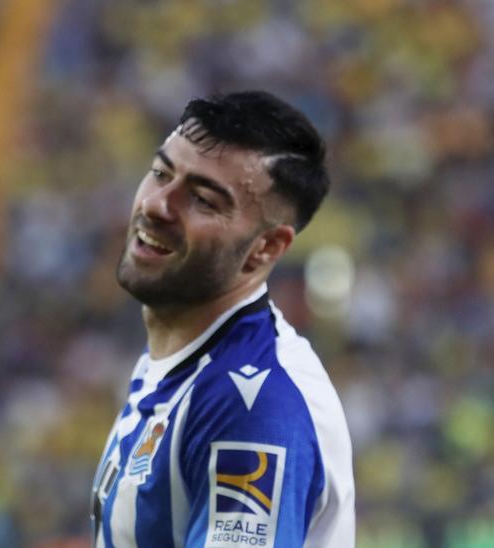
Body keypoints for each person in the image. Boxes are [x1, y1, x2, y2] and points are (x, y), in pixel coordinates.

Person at [91, 91, 355, 547]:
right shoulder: (180, 364)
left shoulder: (254, 405)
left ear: (266, 248)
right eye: (160, 173)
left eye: (203, 200)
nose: (157, 205)